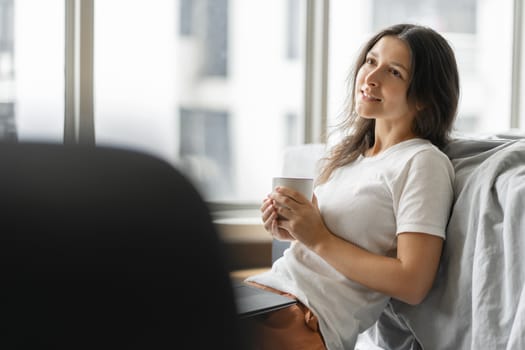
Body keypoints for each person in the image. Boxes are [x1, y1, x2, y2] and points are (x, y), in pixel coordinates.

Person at [243, 23, 459, 350]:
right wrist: (293, 228)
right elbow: (324, 247)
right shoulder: (350, 157)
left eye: (394, 72)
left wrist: (317, 237)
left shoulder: (422, 162)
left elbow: (413, 282)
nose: (371, 78)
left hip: (305, 319)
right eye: (371, 61)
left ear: (425, 99)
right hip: (265, 294)